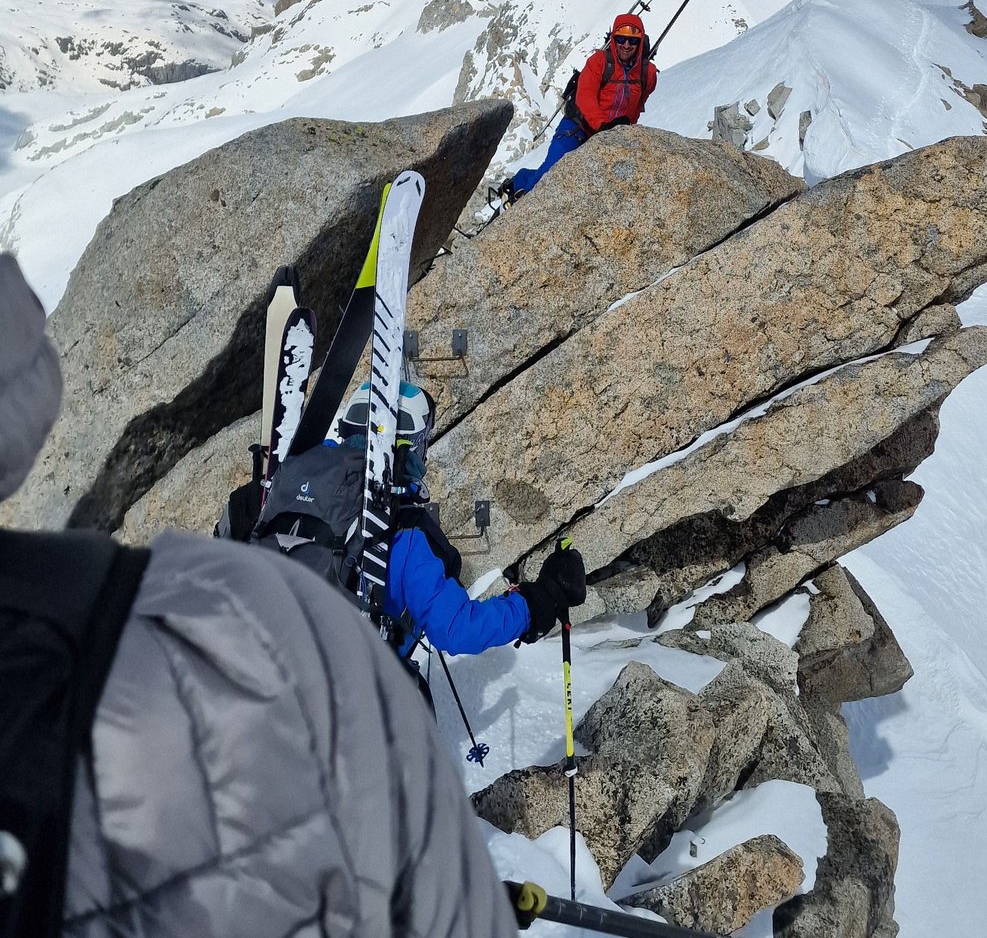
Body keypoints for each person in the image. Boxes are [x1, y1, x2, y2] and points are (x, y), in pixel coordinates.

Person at [0, 250, 521, 938]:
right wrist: (535, 606)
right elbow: (455, 629)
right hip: (356, 704)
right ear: (402, 452)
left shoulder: (275, 506)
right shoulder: (402, 537)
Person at [252, 379, 585, 658]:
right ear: (409, 445)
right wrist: (534, 603)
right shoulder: (405, 528)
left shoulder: (281, 492)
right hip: (340, 703)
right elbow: (456, 629)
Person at [499, 11, 659, 201]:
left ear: (640, 42)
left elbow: (637, 105)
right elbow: (585, 97)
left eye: (632, 41)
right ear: (614, 38)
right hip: (578, 127)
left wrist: (622, 130)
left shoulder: (647, 74)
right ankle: (518, 183)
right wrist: (602, 125)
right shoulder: (598, 62)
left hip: (610, 134)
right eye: (621, 39)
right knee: (550, 174)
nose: (626, 45)